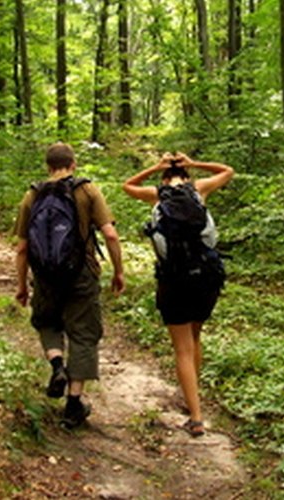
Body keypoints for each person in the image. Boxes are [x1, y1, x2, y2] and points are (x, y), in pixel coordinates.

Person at [15, 142, 126, 428]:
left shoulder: (33, 194)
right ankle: (74, 405)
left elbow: (22, 248)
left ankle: (56, 366)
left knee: (46, 322)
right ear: (73, 164)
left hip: (45, 277)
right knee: (83, 334)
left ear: (48, 166)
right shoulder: (87, 190)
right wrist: (118, 272)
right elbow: (111, 235)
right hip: (82, 275)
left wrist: (22, 286)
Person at [122, 152, 234, 437]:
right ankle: (191, 396)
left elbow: (127, 185)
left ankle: (195, 417)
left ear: (163, 178)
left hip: (174, 280)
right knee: (195, 336)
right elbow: (227, 170)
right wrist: (193, 163)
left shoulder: (156, 194)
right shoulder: (199, 190)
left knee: (182, 348)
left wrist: (155, 167)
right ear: (187, 177)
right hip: (207, 277)